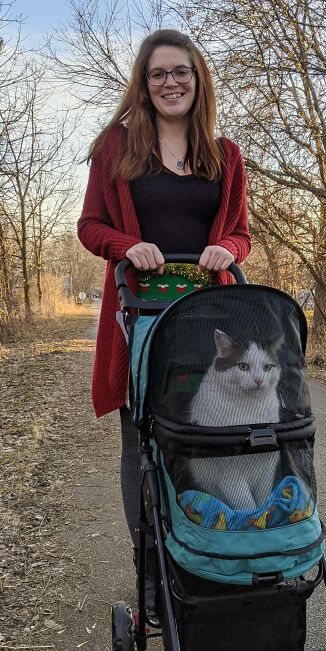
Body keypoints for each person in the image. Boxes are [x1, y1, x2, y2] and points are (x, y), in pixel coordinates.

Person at [77, 29, 251, 611]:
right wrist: (127, 246)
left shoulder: (224, 155)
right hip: (140, 317)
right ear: (144, 83)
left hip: (208, 320)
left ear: (198, 80)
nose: (170, 82)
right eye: (158, 74)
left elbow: (241, 234)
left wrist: (227, 248)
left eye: (181, 71)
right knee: (142, 441)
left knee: (208, 435)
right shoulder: (117, 147)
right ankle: (151, 572)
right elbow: (90, 226)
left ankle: (212, 556)